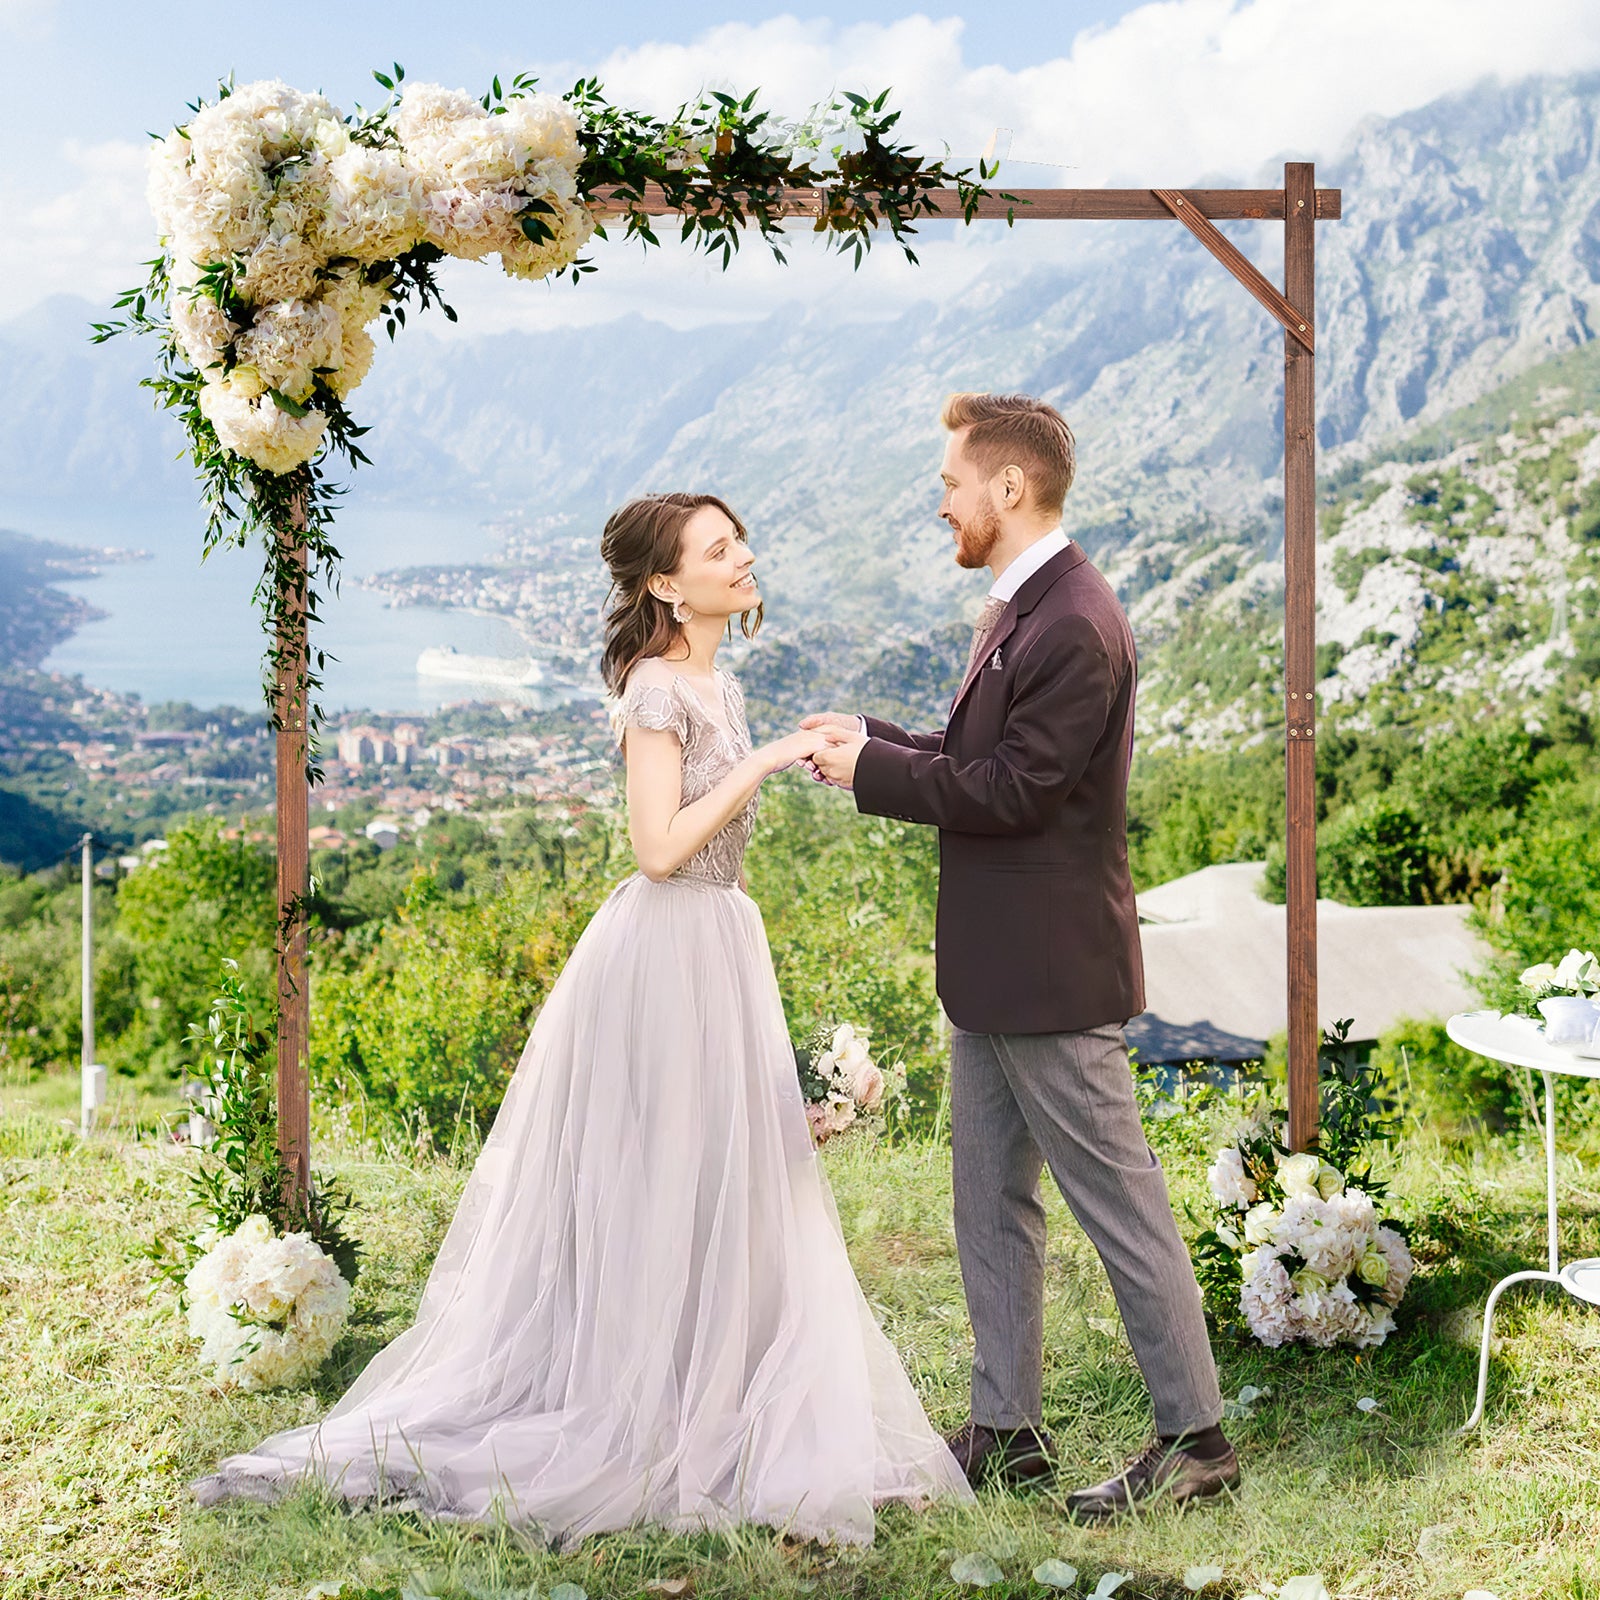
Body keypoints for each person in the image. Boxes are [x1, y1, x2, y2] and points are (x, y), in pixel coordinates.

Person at [191, 491, 973, 1545]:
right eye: (716, 547)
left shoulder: (717, 682)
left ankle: (706, 1378)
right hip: (663, 951)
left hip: (722, 943)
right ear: (664, 582)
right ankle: (629, 1387)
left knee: (717, 1177)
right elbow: (658, 848)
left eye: (736, 540)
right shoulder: (657, 689)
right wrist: (760, 761)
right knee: (654, 1166)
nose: (742, 557)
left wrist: (776, 746)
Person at [806, 393, 1238, 1520]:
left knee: (1119, 1208)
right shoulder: (1026, 605)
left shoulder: (1073, 622)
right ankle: (1008, 1432)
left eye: (951, 481)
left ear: (1008, 489)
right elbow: (971, 750)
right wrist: (870, 741)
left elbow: (1017, 791)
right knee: (989, 1203)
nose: (939, 500)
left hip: (1050, 981)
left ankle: (1195, 1441)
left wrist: (869, 777)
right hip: (997, 977)